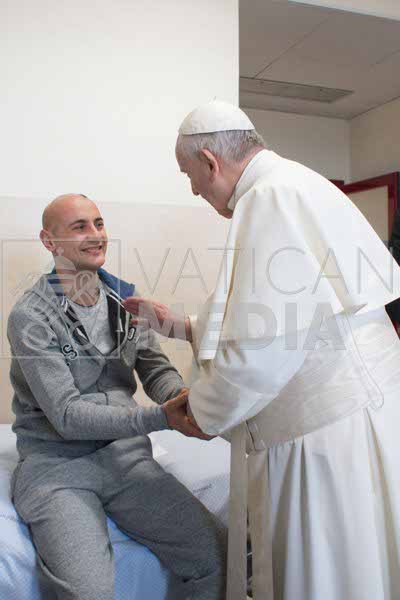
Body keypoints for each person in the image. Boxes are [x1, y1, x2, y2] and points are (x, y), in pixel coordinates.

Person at [123, 101, 400, 600]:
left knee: (331, 575)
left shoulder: (269, 199)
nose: (193, 190)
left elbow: (261, 348)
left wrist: (202, 413)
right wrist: (181, 326)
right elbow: (281, 315)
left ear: (209, 162)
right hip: (352, 410)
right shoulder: (295, 184)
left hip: (325, 432)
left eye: (189, 175)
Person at [8, 194, 226, 600]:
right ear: (49, 241)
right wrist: (162, 417)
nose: (96, 235)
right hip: (57, 469)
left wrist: (182, 399)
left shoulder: (124, 301)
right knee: (88, 592)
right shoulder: (31, 318)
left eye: (99, 223)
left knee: (216, 556)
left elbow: (155, 369)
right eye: (80, 227)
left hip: (126, 460)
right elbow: (67, 416)